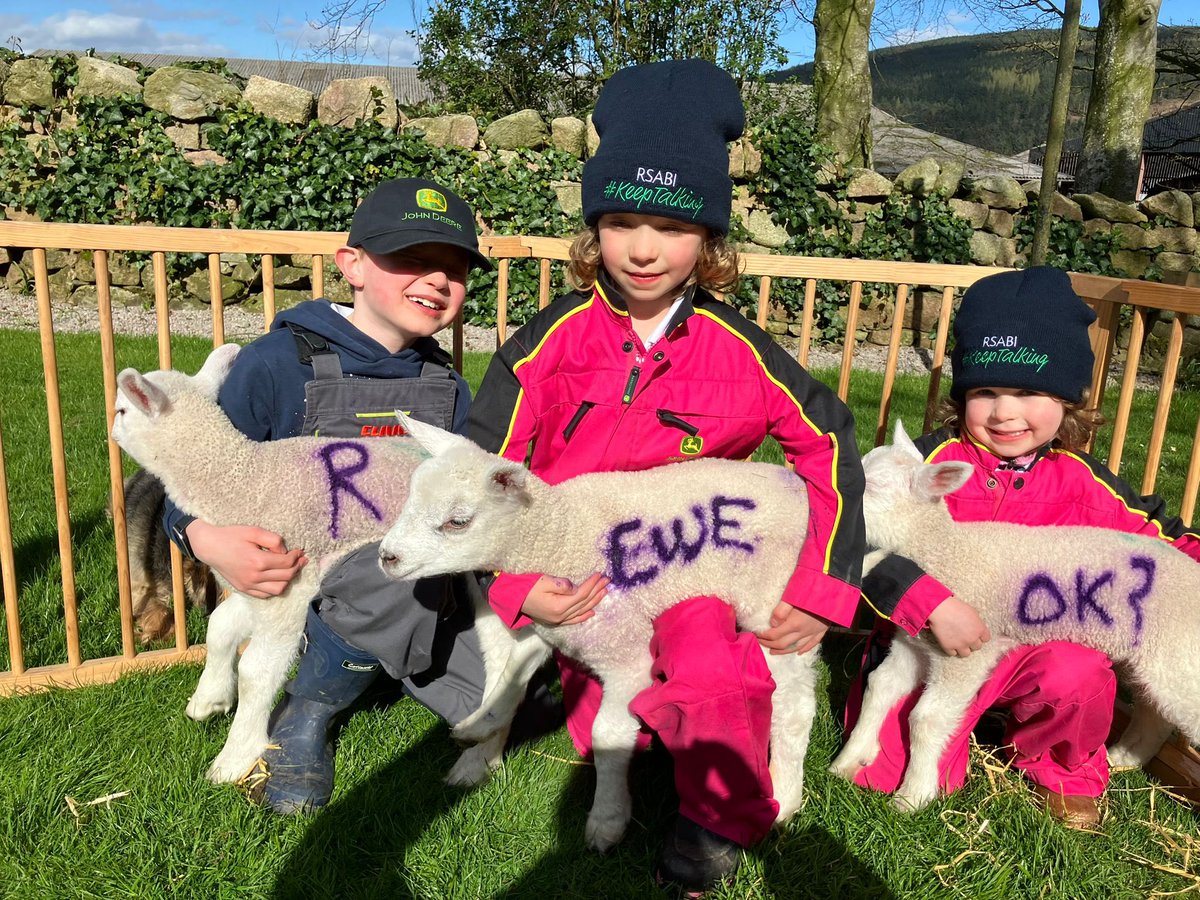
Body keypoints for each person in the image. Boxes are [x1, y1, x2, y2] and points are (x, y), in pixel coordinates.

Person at [466, 59, 866, 895]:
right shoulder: (544, 348)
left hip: (687, 567)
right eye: (621, 222)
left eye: (674, 228)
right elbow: (481, 475)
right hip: (580, 584)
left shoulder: (742, 350)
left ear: (709, 242)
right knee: (603, 732)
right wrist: (515, 584)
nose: (644, 249)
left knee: (716, 673)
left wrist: (824, 586)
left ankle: (708, 831)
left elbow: (827, 440)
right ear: (594, 228)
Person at [162, 177, 497, 814]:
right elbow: (191, 470)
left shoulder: (447, 388)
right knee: (399, 571)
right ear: (353, 266)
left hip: (414, 584)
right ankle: (307, 709)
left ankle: (376, 661)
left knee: (518, 696)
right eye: (412, 260)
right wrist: (205, 537)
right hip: (308, 577)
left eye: (453, 270)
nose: (436, 281)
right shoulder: (276, 364)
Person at [846, 266, 1200, 829]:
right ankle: (918, 739)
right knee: (883, 775)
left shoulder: (1083, 481)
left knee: (1077, 673)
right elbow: (856, 545)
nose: (1005, 412)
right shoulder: (930, 468)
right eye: (986, 391)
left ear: (1067, 399)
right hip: (936, 640)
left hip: (1034, 645)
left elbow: (1159, 534)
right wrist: (925, 600)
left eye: (1029, 391)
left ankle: (1061, 767)